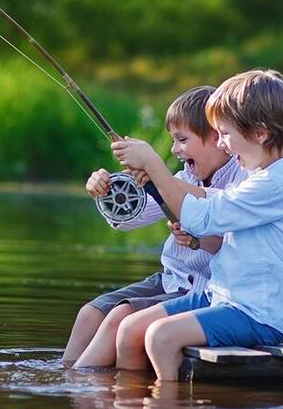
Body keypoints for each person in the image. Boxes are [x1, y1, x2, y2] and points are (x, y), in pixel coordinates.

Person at [112, 68, 283, 381]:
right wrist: (157, 179)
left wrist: (153, 164)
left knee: (160, 337)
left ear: (260, 133)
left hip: (258, 312)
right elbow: (208, 198)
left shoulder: (275, 183)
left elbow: (203, 218)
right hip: (223, 296)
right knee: (129, 329)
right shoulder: (259, 176)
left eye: (226, 135)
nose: (223, 146)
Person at [63, 86, 247, 368]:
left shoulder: (243, 178)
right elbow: (131, 218)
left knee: (118, 318)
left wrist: (157, 172)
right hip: (170, 280)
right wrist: (107, 190)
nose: (175, 149)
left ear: (215, 137)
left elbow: (218, 206)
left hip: (203, 290)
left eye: (182, 140)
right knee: (90, 313)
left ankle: (81, 390)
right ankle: (65, 377)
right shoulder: (185, 175)